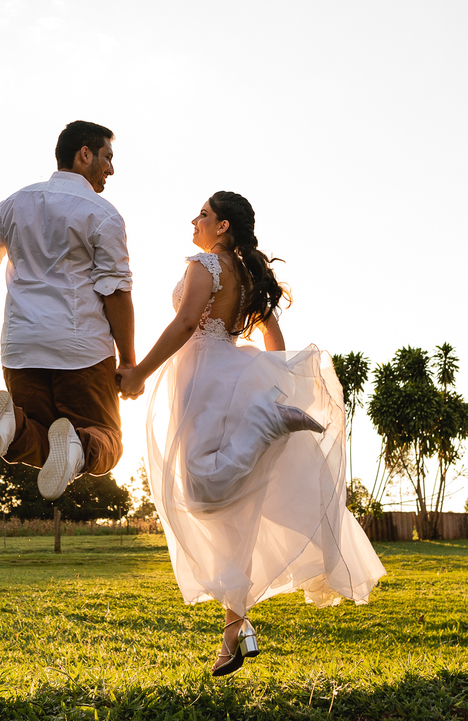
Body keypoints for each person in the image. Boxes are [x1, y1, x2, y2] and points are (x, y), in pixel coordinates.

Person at [117, 191, 385, 676]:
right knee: (235, 514)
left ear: (222, 227)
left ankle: (267, 422)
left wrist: (139, 373)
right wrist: (274, 381)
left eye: (202, 214)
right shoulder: (247, 275)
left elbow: (183, 323)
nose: (193, 220)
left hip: (203, 377)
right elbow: (273, 339)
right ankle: (235, 631)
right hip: (230, 375)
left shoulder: (208, 265)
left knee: (201, 491)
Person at [0, 120, 138, 500]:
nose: (111, 169)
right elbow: (116, 290)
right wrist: (129, 361)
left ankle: (11, 426)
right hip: (81, 350)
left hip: (21, 349)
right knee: (107, 442)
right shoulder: (102, 214)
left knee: (42, 440)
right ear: (84, 154)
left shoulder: (16, 203)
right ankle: (75, 446)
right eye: (107, 157)